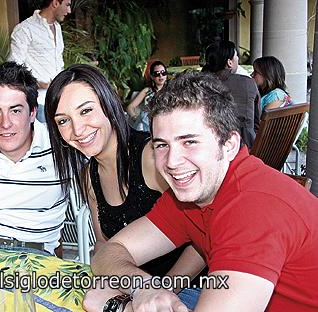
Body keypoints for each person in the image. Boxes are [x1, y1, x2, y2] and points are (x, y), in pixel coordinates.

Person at [86, 71, 318, 312]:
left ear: (229, 145)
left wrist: (117, 306)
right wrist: (144, 286)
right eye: (162, 145)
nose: (172, 162)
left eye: (189, 142)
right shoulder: (190, 196)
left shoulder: (252, 207)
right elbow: (110, 253)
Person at [45, 64, 205, 279]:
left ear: (108, 104)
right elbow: (103, 243)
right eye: (63, 121)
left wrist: (164, 289)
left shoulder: (151, 157)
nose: (77, 130)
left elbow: (204, 235)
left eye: (86, 111)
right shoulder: (88, 177)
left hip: (191, 286)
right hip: (131, 288)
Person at [0, 62, 67, 256]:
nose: (5, 123)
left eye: (15, 110)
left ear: (33, 112)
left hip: (39, 257)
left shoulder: (62, 146)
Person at [8, 0, 72, 123]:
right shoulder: (25, 29)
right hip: (39, 104)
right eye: (67, 5)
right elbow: (13, 68)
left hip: (60, 100)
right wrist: (39, 84)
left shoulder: (57, 28)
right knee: (43, 141)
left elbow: (59, 62)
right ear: (55, 3)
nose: (69, 11)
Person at [202, 40, 261, 149]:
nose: (237, 59)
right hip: (245, 147)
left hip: (209, 147)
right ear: (229, 62)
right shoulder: (248, 83)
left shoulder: (202, 84)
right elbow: (257, 121)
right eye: (236, 56)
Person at [126, 60, 168, 132]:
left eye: (163, 73)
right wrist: (135, 118)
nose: (161, 76)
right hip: (147, 124)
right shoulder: (147, 91)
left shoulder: (171, 90)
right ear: (152, 76)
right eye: (156, 74)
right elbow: (130, 107)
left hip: (166, 123)